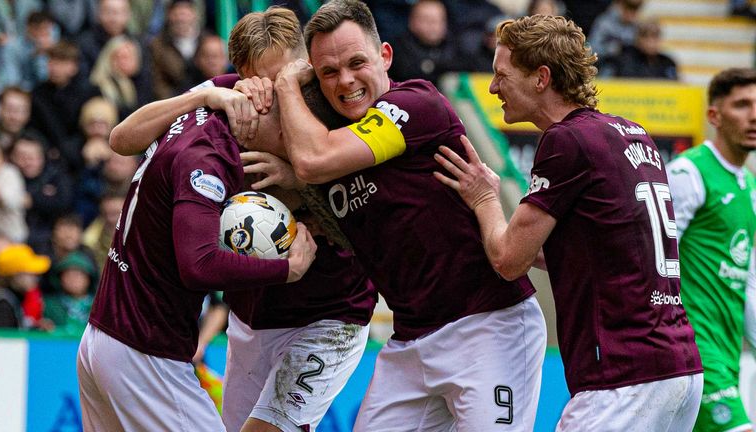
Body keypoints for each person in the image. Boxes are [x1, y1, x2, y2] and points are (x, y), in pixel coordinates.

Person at [266, 1, 546, 429]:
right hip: (411, 341)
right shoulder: (334, 143)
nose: (345, 81)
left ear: (386, 56)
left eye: (357, 62)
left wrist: (287, 83)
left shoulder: (415, 103)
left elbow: (313, 160)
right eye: (328, 72)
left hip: (489, 327)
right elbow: (313, 173)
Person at [109, 8, 378, 432]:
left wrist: (298, 181)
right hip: (251, 313)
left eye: (286, 77)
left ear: (305, 60)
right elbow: (122, 138)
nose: (273, 94)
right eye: (260, 83)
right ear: (241, 74)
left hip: (330, 314)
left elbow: (369, 233)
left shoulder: (339, 109)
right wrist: (201, 96)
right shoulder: (231, 96)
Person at [432, 14, 703, 430]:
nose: (492, 87)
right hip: (679, 367)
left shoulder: (566, 139)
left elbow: (508, 260)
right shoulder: (633, 132)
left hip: (621, 376)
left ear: (541, 77)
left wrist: (484, 196)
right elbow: (593, 249)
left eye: (501, 74)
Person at [75, 46, 318, 431]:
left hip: (105, 336)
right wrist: (286, 268)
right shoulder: (208, 160)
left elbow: (121, 137)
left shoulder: (208, 105)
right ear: (259, 105)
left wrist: (202, 94)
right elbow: (199, 264)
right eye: (288, 131)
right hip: (144, 353)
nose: (294, 145)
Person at [667, 68, 756, 432]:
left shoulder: (749, 186)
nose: (754, 115)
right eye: (742, 105)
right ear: (714, 116)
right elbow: (652, 259)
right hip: (691, 349)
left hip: (727, 352)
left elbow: (748, 283)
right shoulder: (688, 173)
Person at [598, 18, 678, 80]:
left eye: (655, 36)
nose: (651, 41)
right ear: (637, 38)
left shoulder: (668, 63)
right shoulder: (623, 60)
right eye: (645, 36)